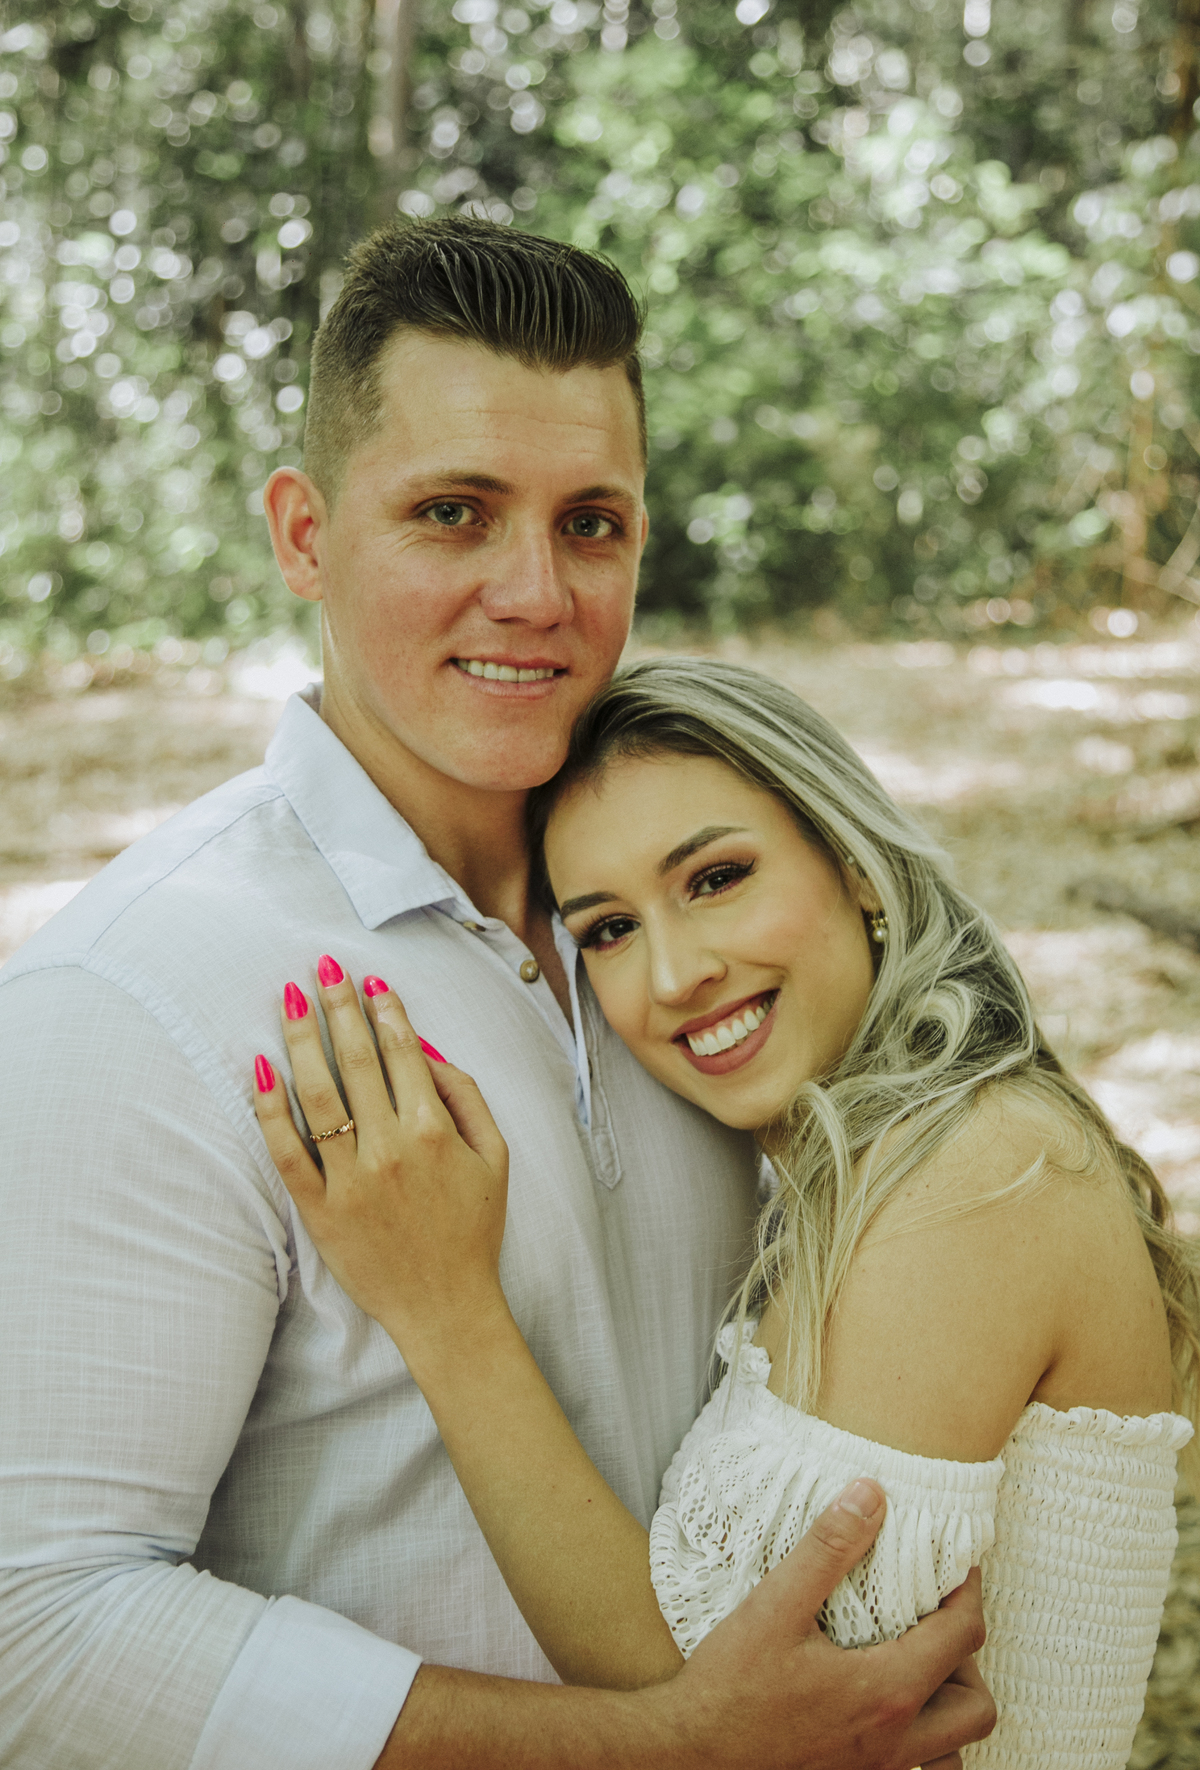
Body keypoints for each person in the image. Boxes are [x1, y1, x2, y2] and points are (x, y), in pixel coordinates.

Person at [0, 219, 995, 1769]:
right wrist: (670, 1750)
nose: (535, 592)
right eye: (452, 514)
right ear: (305, 536)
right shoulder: (134, 994)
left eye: (591, 523)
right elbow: (39, 1634)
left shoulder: (701, 942)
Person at [251, 655, 1199, 1766]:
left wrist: (444, 1308)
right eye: (609, 930)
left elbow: (726, 1709)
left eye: (716, 878)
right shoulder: (867, 1167)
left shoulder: (980, 1173)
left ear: (855, 865)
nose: (674, 976)